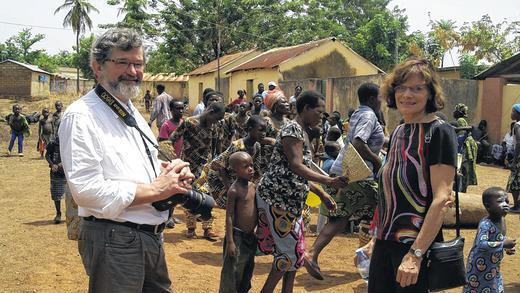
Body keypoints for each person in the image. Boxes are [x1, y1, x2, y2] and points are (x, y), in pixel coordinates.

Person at [58, 28, 195, 292]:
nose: (133, 71)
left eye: (138, 64)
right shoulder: (82, 116)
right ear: (97, 67)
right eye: (122, 62)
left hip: (149, 237)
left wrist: (169, 173)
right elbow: (86, 191)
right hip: (115, 239)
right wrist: (156, 189)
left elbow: (136, 166)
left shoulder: (129, 109)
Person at [368, 58, 457, 293]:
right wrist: (376, 237)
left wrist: (415, 255)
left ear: (430, 94)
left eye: (417, 88)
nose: (408, 94)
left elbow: (442, 198)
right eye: (402, 88)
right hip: (385, 245)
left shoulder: (439, 132)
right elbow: (389, 192)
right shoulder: (399, 131)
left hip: (415, 249)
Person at [255, 90, 348, 293]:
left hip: (291, 200)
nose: (321, 117)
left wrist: (322, 194)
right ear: (306, 109)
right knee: (288, 254)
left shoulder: (301, 131)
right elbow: (297, 166)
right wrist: (329, 181)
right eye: (319, 112)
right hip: (278, 199)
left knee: (295, 254)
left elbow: (299, 173)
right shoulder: (293, 130)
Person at [307, 83, 385, 280]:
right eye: (380, 97)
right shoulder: (369, 115)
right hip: (359, 173)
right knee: (383, 211)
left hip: (343, 170)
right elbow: (359, 142)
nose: (382, 101)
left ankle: (312, 253)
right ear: (371, 99)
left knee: (339, 218)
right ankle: (368, 260)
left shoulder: (358, 113)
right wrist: (377, 161)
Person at [170, 101, 226, 239]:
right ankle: (191, 228)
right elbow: (173, 138)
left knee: (208, 197)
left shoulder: (215, 126)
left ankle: (208, 228)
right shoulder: (189, 122)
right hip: (189, 166)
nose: (217, 121)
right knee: (190, 196)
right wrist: (173, 158)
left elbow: (215, 147)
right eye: (217, 118)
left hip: (205, 167)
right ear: (210, 111)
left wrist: (216, 166)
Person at [207, 115, 273, 209]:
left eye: (265, 131)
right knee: (232, 205)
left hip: (235, 175)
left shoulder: (257, 146)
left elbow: (256, 170)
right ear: (250, 129)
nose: (264, 134)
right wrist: (230, 189)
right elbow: (222, 167)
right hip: (219, 177)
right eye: (260, 130)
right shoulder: (237, 146)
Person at [463, 187, 516, 293]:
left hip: (493, 267)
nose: (505, 204)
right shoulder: (485, 224)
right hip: (479, 267)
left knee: (494, 287)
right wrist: (503, 245)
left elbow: (498, 237)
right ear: (488, 206)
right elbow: (481, 244)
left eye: (507, 201)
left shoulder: (502, 220)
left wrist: (506, 248)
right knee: (477, 288)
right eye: (500, 201)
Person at [218, 152, 258, 293]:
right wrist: (230, 242)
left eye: (252, 165)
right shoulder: (234, 191)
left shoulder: (253, 187)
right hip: (237, 237)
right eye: (246, 166)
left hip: (250, 237)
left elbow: (256, 211)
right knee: (232, 272)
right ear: (235, 169)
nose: (251, 169)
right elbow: (229, 216)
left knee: (247, 270)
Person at [45, 136, 66, 224]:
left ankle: (71, 215)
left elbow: (73, 155)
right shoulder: (53, 142)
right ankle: (58, 213)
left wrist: (60, 165)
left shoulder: (69, 142)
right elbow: (47, 155)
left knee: (72, 195)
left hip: (68, 172)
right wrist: (52, 164)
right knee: (56, 194)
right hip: (55, 172)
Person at [507, 104, 520, 213]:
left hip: (519, 157)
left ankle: (516, 206)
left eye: (513, 111)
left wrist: (514, 161)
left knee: (514, 182)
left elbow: (519, 143)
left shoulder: (517, 125)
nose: (511, 114)